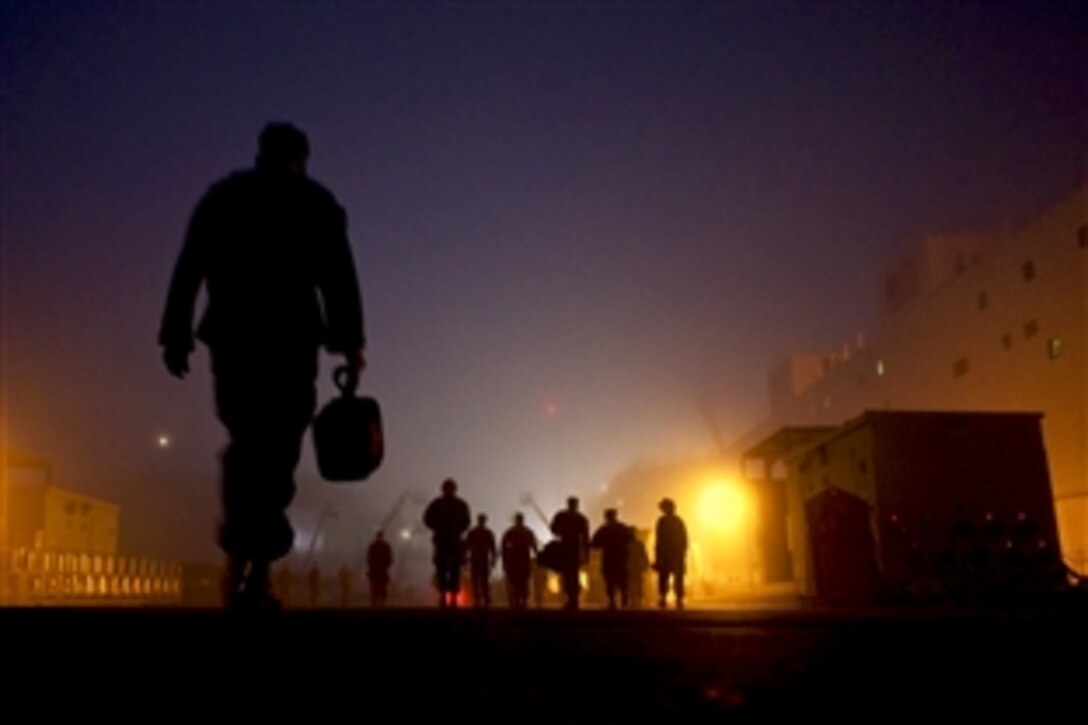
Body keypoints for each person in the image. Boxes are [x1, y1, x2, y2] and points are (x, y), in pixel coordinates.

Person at [158, 122, 366, 611]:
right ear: (301, 156)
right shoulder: (315, 203)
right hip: (291, 341)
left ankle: (239, 556)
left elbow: (190, 266)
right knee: (278, 450)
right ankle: (258, 568)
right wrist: (349, 344)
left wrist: (176, 333)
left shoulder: (225, 198)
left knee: (247, 443)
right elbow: (339, 278)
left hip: (235, 337)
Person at [423, 478, 471, 607]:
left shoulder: (459, 504)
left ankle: (453, 596)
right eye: (447, 488)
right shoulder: (437, 504)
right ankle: (443, 595)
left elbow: (466, 521)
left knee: (455, 568)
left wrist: (457, 529)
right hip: (442, 539)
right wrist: (437, 526)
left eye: (450, 488)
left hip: (453, 539)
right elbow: (426, 519)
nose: (449, 490)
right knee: (441, 568)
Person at [549, 496, 590, 610]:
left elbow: (553, 529)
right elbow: (585, 539)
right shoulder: (580, 519)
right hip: (571, 549)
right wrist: (586, 554)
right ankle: (572, 598)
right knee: (570, 575)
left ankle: (572, 598)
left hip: (569, 549)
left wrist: (559, 531)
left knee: (569, 575)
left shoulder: (562, 516)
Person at [590, 509, 632, 610]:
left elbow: (595, 543)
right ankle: (623, 596)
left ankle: (613, 601)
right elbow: (630, 538)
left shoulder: (604, 529)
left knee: (610, 580)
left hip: (610, 557)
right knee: (621, 579)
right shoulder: (622, 528)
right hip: (620, 557)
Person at [654, 498, 688, 610]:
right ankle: (677, 598)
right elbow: (684, 539)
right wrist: (682, 552)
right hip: (675, 554)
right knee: (676, 577)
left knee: (664, 577)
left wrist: (658, 556)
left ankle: (666, 597)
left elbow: (659, 540)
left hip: (667, 554)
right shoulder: (678, 521)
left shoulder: (662, 521)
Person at [501, 512, 539, 609]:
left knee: (521, 580)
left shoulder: (512, 532)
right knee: (518, 580)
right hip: (518, 558)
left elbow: (534, 546)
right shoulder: (525, 532)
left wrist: (505, 560)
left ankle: (520, 599)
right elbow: (534, 547)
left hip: (519, 558)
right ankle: (519, 599)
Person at [464, 513, 497, 608]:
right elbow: (492, 548)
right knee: (481, 580)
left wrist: (465, 558)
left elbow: (492, 548)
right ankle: (482, 598)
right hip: (480, 559)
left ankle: (480, 598)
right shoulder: (486, 533)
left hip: (478, 559)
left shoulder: (474, 533)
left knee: (480, 580)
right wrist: (493, 559)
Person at [366, 530, 394, 607]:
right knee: (380, 586)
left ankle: (378, 601)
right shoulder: (385, 546)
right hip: (380, 570)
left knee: (376, 586)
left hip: (377, 570)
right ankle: (379, 601)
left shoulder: (373, 546)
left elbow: (369, 559)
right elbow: (390, 559)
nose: (380, 538)